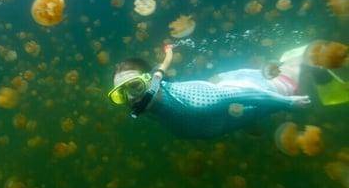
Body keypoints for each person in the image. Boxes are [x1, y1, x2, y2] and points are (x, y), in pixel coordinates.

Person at [107, 43, 337, 139]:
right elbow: (161, 68)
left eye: (135, 86)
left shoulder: (196, 101)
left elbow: (244, 94)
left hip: (266, 88)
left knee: (303, 63)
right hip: (233, 90)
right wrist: (168, 51)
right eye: (121, 94)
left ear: (148, 81)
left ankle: (311, 57)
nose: (131, 98)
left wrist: (288, 103)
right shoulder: (156, 85)